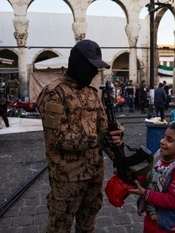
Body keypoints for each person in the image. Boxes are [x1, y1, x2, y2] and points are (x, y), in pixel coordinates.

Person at [37, 39, 121, 233]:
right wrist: (98, 140)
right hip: (68, 179)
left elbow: (103, 130)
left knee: (87, 226)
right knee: (59, 228)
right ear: (76, 63)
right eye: (91, 67)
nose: (94, 73)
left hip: (93, 175)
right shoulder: (54, 94)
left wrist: (117, 153)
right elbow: (57, 138)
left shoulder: (92, 93)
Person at [128, 109, 175, 233]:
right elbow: (149, 176)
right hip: (151, 221)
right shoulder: (160, 158)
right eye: (164, 137)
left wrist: (145, 193)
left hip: (170, 226)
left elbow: (173, 200)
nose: (162, 141)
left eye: (169, 140)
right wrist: (132, 176)